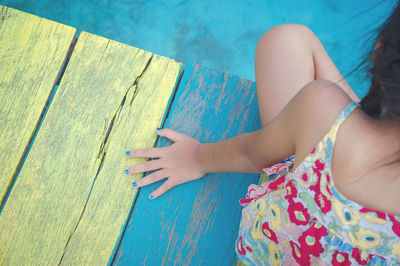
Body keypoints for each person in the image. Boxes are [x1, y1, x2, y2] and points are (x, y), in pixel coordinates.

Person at [124, 2, 400, 264]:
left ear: (379, 50)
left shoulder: (321, 107)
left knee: (287, 40)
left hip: (263, 252)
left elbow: (251, 154)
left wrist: (196, 157)